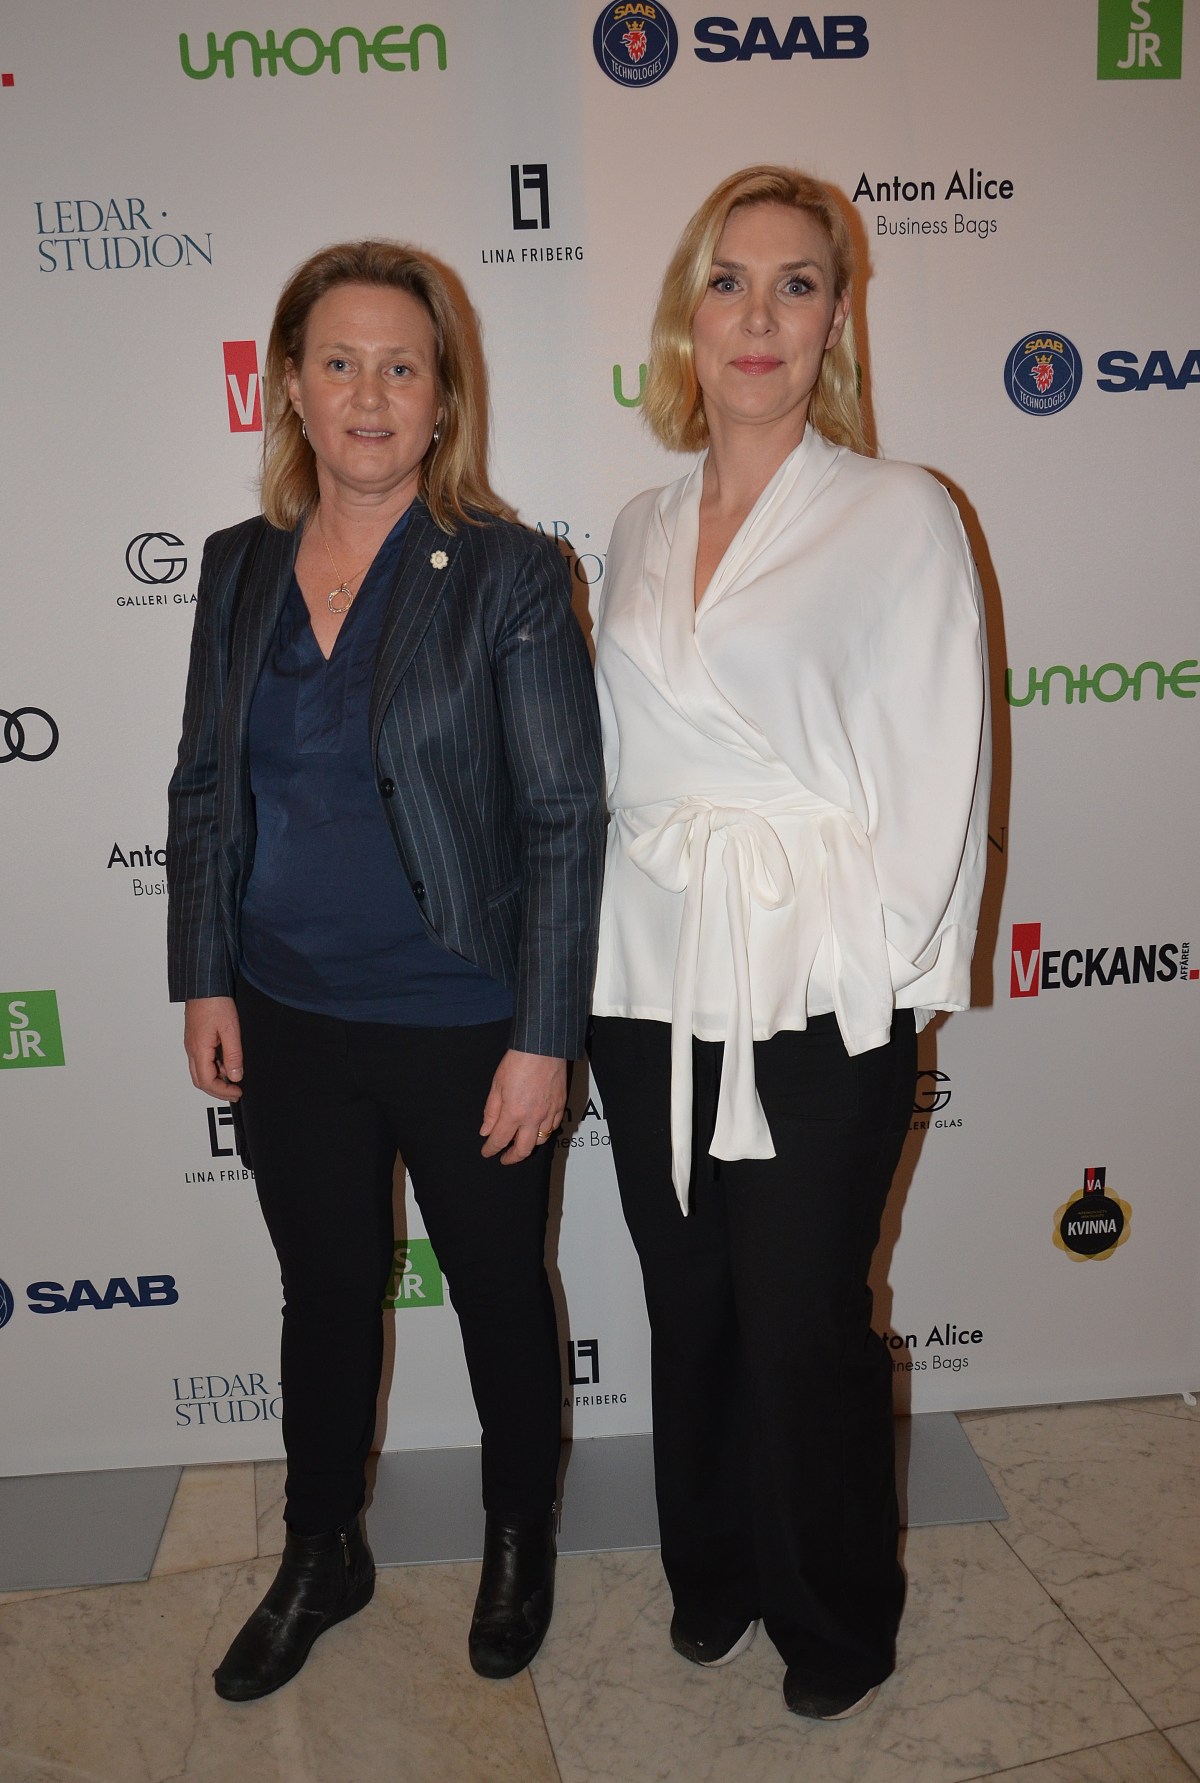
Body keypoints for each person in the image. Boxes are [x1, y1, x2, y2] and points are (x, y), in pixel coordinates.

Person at [167, 239, 604, 1701]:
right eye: (340, 363)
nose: (369, 395)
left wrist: (544, 1035)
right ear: (290, 387)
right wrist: (205, 974)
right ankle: (322, 1552)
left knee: (497, 1294)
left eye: (400, 367)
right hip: (288, 1012)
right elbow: (204, 789)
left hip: (465, 1017)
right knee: (326, 1293)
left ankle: (518, 1539)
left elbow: (562, 815)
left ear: (442, 396)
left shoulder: (508, 573)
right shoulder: (236, 568)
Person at [589, 167, 990, 1720]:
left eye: (797, 283)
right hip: (651, 978)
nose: (760, 315)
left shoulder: (899, 512)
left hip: (821, 982)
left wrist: (881, 976)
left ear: (836, 322)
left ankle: (837, 1613)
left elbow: (940, 766)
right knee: (687, 1296)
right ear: (686, 319)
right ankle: (715, 1571)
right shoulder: (637, 523)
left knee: (808, 1313)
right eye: (730, 280)